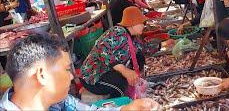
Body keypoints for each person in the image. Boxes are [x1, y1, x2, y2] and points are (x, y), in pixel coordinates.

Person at [0, 33, 159, 110]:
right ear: (42, 75)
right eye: (67, 69)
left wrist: (128, 109)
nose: (71, 76)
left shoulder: (60, 103)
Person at [80, 6, 159, 98]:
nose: (143, 25)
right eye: (142, 23)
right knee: (121, 84)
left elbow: (145, 49)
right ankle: (118, 105)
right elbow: (102, 49)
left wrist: (163, 43)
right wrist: (125, 71)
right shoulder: (117, 32)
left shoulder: (133, 37)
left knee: (139, 58)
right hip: (94, 76)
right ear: (132, 23)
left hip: (109, 72)